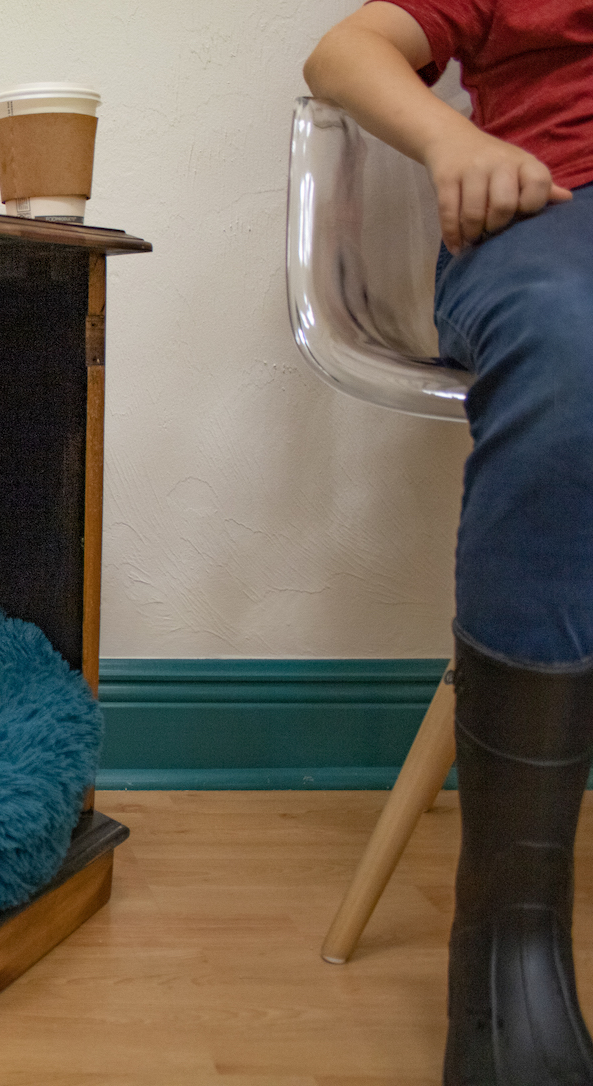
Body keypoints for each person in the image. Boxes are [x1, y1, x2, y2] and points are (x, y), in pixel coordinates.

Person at [304, 4, 593, 1083]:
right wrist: (453, 140)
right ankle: (506, 939)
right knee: (574, 362)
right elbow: (342, 49)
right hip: (560, 214)